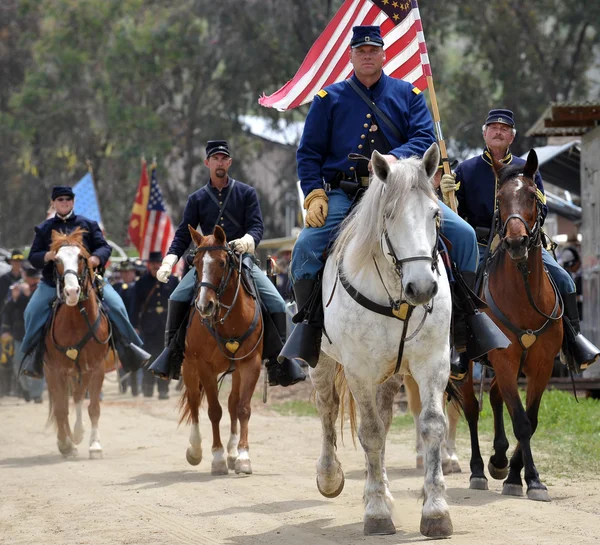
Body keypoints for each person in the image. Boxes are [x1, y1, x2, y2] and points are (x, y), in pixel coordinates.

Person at [283, 25, 491, 370]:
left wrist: (397, 156)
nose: (367, 56)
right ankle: (310, 328)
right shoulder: (328, 99)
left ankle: (464, 325)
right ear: (351, 56)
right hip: (348, 192)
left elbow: (426, 137)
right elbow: (309, 154)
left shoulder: (408, 94)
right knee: (306, 248)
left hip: (403, 189)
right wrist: (315, 193)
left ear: (383, 54)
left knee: (465, 236)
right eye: (361, 51)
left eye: (373, 51)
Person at [442, 109, 600, 374]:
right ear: (485, 133)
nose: (498, 132)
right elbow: (450, 213)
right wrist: (445, 191)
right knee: (458, 287)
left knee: (564, 279)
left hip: (523, 240)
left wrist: (521, 228)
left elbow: (542, 206)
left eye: (504, 129)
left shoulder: (527, 168)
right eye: (493, 127)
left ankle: (573, 341)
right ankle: (458, 350)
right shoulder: (465, 170)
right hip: (479, 244)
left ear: (512, 137)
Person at [150, 140, 306, 387]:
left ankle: (279, 364)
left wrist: (247, 240)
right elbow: (183, 234)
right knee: (177, 297)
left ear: (229, 163)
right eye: (215, 159)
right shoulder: (197, 198)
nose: (220, 163)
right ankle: (173, 355)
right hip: (207, 261)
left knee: (275, 301)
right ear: (207, 163)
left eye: (224, 158)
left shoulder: (246, 192)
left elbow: (256, 226)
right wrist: (170, 260)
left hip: (240, 259)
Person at [19, 185, 151, 378]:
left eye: (67, 199)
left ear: (73, 201)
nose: (64, 202)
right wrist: (47, 255)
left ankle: (128, 349)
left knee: (117, 306)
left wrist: (96, 258)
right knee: (32, 311)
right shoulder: (44, 228)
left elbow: (104, 247)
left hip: (89, 280)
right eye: (60, 199)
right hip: (52, 283)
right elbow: (33, 257)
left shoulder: (88, 224)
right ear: (53, 203)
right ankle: (34, 356)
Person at [132, 251, 178, 399]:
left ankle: (163, 389)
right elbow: (135, 305)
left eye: (158, 263)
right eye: (153, 263)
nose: (155, 266)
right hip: (148, 325)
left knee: (165, 358)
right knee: (149, 357)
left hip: (167, 325)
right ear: (148, 265)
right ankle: (148, 388)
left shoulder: (172, 281)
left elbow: (178, 304)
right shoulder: (141, 282)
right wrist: (135, 325)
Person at [1, 266, 44, 402]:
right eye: (32, 279)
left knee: (37, 364)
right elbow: (7, 311)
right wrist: (15, 298)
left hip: (38, 334)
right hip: (20, 334)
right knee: (18, 364)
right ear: (27, 278)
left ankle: (36, 394)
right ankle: (26, 389)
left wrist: (28, 296)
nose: (34, 282)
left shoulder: (43, 291)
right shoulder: (17, 289)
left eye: (36, 279)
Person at [113, 259, 140, 395]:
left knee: (136, 357)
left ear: (133, 272)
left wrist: (137, 326)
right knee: (122, 357)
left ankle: (136, 388)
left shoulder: (138, 287)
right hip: (120, 328)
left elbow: (139, 309)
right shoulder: (116, 288)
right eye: (123, 272)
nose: (125, 274)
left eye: (127, 271)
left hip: (135, 329)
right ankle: (123, 386)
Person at [0, 249, 25, 316]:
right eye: (15, 260)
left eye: (20, 261)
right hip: (7, 313)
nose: (17, 263)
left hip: (22, 312)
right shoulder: (4, 278)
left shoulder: (26, 277)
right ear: (10, 261)